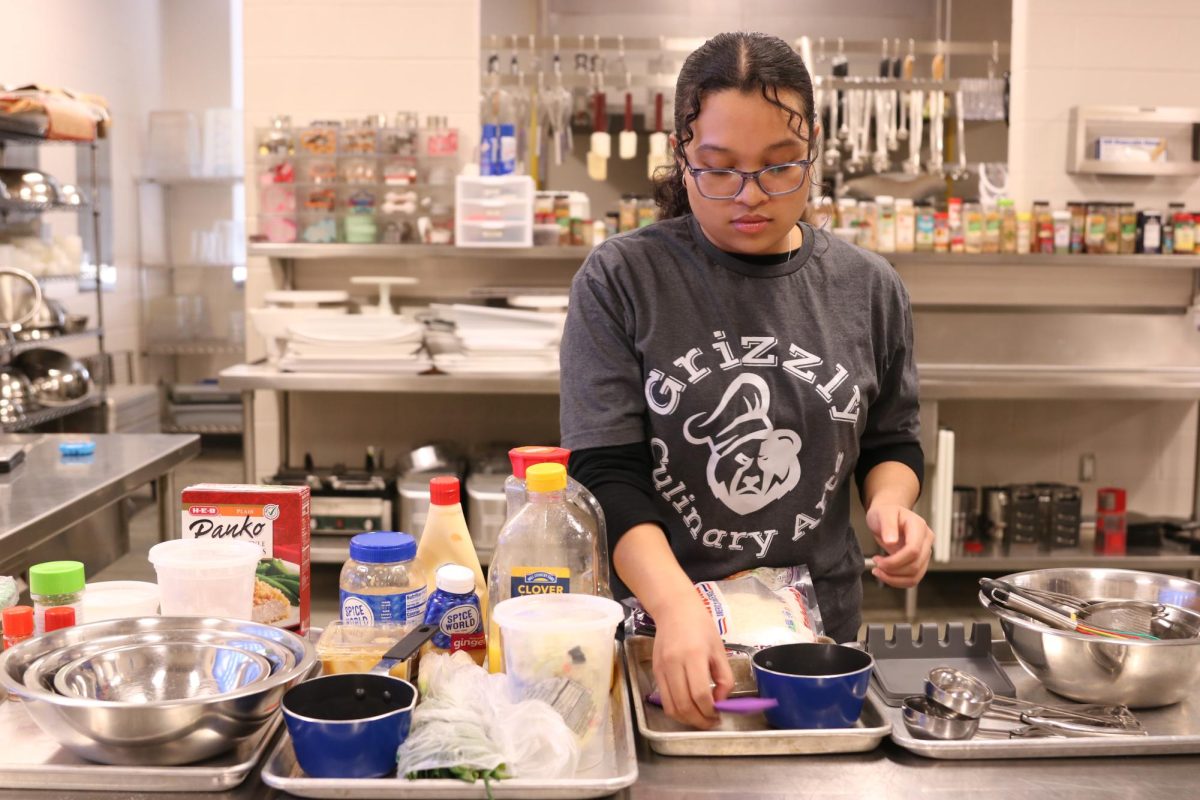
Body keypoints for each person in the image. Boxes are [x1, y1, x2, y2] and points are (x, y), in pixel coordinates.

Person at [559, 31, 932, 730]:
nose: (749, 197)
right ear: (682, 155)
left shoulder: (868, 287)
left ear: (812, 149)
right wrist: (677, 607)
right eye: (719, 169)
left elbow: (891, 442)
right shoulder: (623, 278)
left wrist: (893, 508)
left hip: (818, 644)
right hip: (661, 634)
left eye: (780, 166)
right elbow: (607, 472)